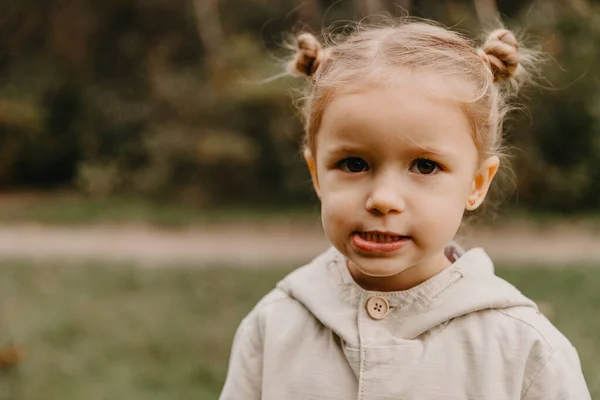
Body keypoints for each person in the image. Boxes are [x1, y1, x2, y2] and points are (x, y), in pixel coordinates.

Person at [219, 20, 591, 399]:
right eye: (353, 164)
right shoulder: (274, 326)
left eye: (425, 166)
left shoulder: (524, 348)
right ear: (316, 173)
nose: (383, 199)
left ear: (477, 183)